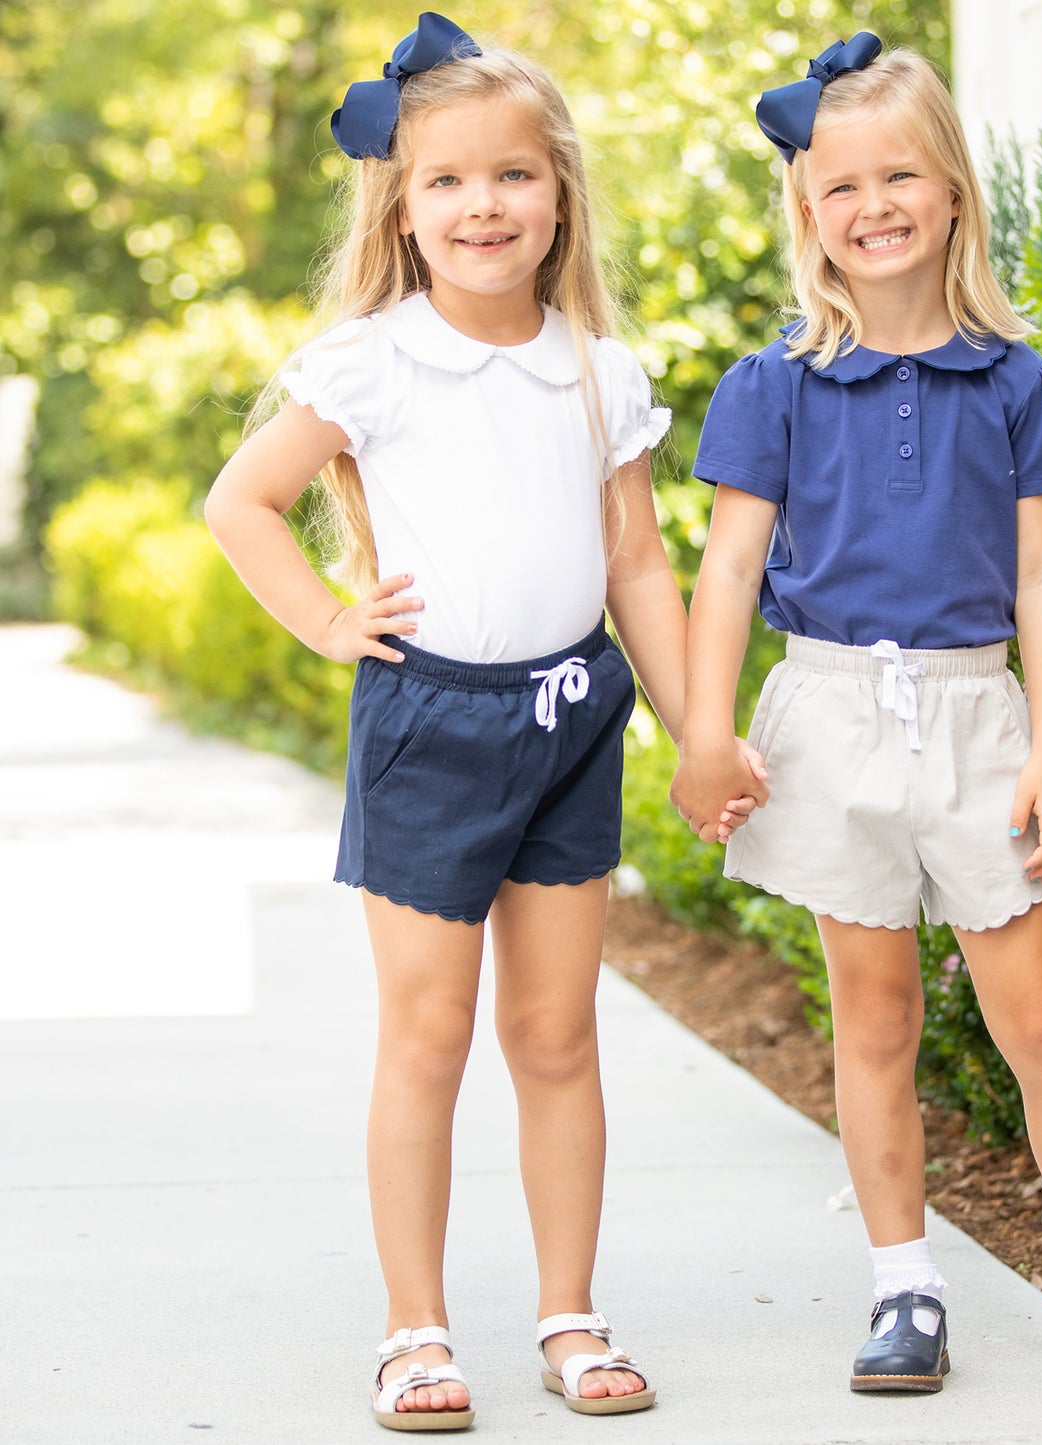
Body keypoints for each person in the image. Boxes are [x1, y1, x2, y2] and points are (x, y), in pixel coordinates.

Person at [206, 13, 762, 1430]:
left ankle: (570, 1315)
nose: (481, 205)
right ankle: (414, 1329)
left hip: (572, 719)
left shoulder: (598, 370)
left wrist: (703, 726)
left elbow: (637, 564)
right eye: (447, 181)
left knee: (556, 1030)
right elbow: (240, 501)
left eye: (512, 176)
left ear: (558, 192)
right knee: (428, 1033)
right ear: (402, 201)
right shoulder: (372, 360)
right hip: (429, 727)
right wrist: (332, 620)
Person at [670, 33, 1042, 1394]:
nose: (872, 206)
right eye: (838, 187)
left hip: (973, 716)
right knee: (876, 1016)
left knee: (1038, 1017)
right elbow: (727, 567)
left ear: (953, 190)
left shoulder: (1018, 380)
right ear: (807, 214)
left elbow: (1041, 574)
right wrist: (704, 729)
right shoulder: (772, 383)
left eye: (898, 174)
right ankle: (904, 1289)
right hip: (829, 715)